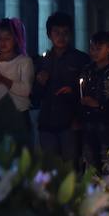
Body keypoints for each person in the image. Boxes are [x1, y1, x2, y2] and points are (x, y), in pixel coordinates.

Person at [32, 11, 89, 167]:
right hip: (47, 124)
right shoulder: (42, 61)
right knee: (50, 170)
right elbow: (34, 96)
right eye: (56, 32)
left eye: (65, 33)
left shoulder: (81, 60)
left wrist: (73, 92)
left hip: (70, 124)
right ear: (49, 35)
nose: (61, 37)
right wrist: (39, 82)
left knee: (70, 170)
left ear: (70, 34)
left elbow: (87, 91)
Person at [79, 31, 109, 169]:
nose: (94, 52)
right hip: (88, 122)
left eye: (98, 49)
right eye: (92, 48)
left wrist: (99, 105)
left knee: (107, 163)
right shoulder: (87, 70)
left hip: (107, 123)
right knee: (89, 162)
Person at [0, 19, 34, 150]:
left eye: (7, 38)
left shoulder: (24, 62)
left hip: (19, 116)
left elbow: (26, 90)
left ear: (16, 39)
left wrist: (2, 79)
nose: (3, 42)